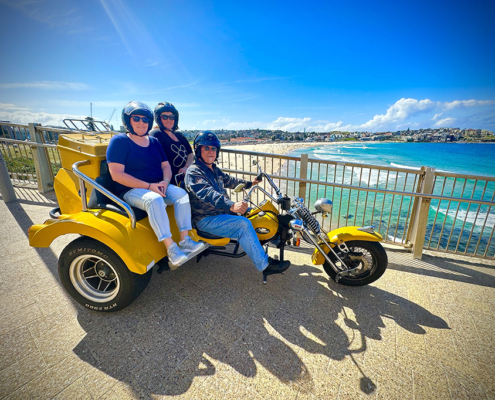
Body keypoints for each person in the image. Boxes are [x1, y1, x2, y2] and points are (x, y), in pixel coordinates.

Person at [106, 101, 206, 267]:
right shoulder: (119, 141)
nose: (141, 123)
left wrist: (165, 182)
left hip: (157, 185)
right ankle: (171, 249)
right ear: (128, 121)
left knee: (181, 195)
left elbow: (165, 166)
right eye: (136, 118)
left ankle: (184, 240)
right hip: (131, 190)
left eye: (145, 120)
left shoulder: (153, 142)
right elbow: (117, 175)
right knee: (154, 199)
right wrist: (149, 186)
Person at [185, 131, 290, 277]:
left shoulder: (214, 169)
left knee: (259, 213)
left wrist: (250, 183)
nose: (210, 151)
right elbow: (207, 193)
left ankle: (276, 239)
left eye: (213, 148)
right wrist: (231, 205)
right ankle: (265, 265)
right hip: (206, 219)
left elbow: (230, 181)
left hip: (222, 214)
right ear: (198, 150)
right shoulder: (194, 172)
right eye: (206, 148)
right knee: (243, 224)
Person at [149, 102, 193, 188]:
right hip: (169, 181)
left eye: (171, 117)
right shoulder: (156, 134)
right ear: (159, 119)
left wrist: (186, 167)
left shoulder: (178, 135)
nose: (168, 120)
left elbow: (190, 153)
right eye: (164, 117)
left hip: (185, 177)